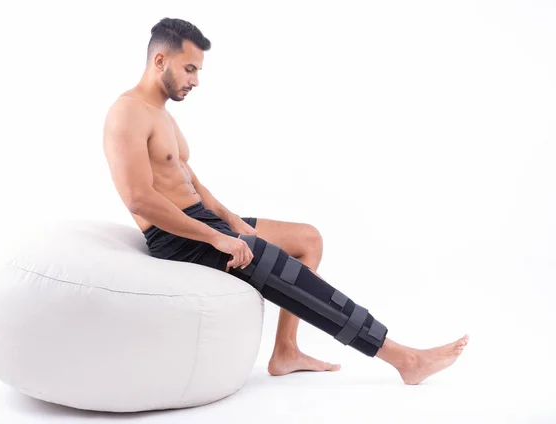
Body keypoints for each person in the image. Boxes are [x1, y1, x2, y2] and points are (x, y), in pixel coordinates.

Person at [102, 17, 469, 384]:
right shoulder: (127, 112)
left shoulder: (163, 115)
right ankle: (403, 359)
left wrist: (229, 221)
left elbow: (190, 180)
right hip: (179, 239)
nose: (196, 80)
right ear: (160, 61)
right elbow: (139, 199)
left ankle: (286, 352)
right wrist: (217, 237)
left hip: (201, 221)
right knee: (290, 274)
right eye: (190, 69)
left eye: (198, 70)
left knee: (307, 239)